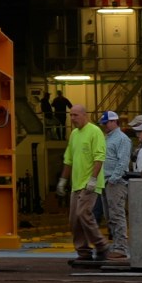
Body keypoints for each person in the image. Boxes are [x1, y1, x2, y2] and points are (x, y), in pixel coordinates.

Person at [57, 102, 106, 261]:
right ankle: (83, 252)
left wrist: (93, 179)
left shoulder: (95, 132)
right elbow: (68, 159)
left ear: (85, 115)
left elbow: (99, 158)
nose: (72, 118)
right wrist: (62, 181)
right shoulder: (74, 135)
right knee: (74, 220)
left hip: (90, 184)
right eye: (70, 115)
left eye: (75, 115)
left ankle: (101, 245)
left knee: (83, 213)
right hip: (76, 185)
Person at [99, 111, 132, 261]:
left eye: (106, 123)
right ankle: (116, 245)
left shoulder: (122, 139)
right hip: (106, 181)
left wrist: (113, 179)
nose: (104, 126)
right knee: (110, 216)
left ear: (114, 122)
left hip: (115, 182)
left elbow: (123, 161)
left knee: (117, 214)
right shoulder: (107, 138)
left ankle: (121, 247)